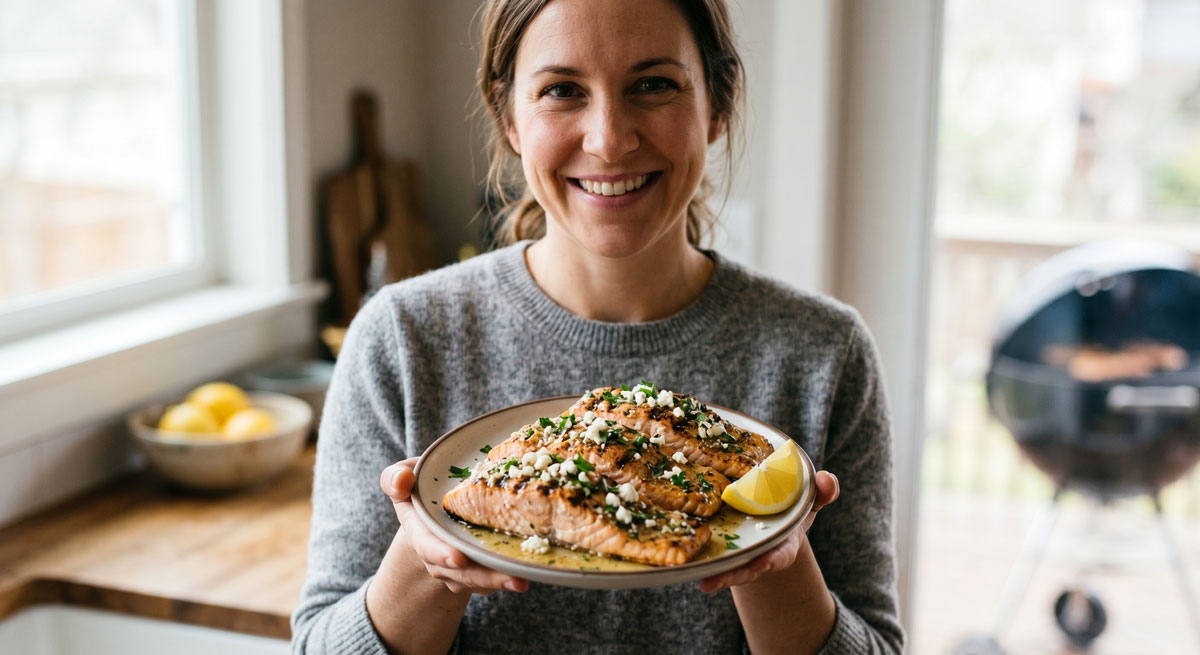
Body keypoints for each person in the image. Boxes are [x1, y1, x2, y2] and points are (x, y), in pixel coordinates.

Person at [291, 0, 904, 653]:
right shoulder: (401, 339)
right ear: (509, 117)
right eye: (561, 90)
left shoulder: (825, 353)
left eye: (653, 84)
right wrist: (427, 559)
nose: (609, 139)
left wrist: (773, 560)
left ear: (718, 105)